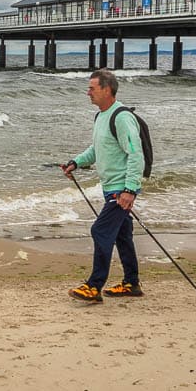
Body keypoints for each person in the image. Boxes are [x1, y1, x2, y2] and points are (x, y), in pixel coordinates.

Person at [61, 69, 145, 303]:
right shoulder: (101, 116)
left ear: (107, 90)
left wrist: (130, 190)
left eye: (92, 88)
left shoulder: (122, 117)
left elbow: (135, 154)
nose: (88, 93)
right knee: (122, 236)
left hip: (121, 189)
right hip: (111, 187)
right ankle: (131, 283)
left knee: (100, 230)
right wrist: (75, 163)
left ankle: (94, 286)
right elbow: (97, 149)